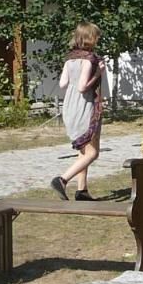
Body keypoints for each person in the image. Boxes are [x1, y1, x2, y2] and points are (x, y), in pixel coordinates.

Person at [53, 22, 107, 201]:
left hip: (69, 106)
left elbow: (63, 84)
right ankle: (62, 179)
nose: (98, 39)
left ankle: (82, 190)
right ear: (90, 37)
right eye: (96, 36)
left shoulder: (70, 58)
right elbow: (83, 87)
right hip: (84, 106)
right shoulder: (89, 59)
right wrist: (98, 74)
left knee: (84, 151)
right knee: (92, 153)